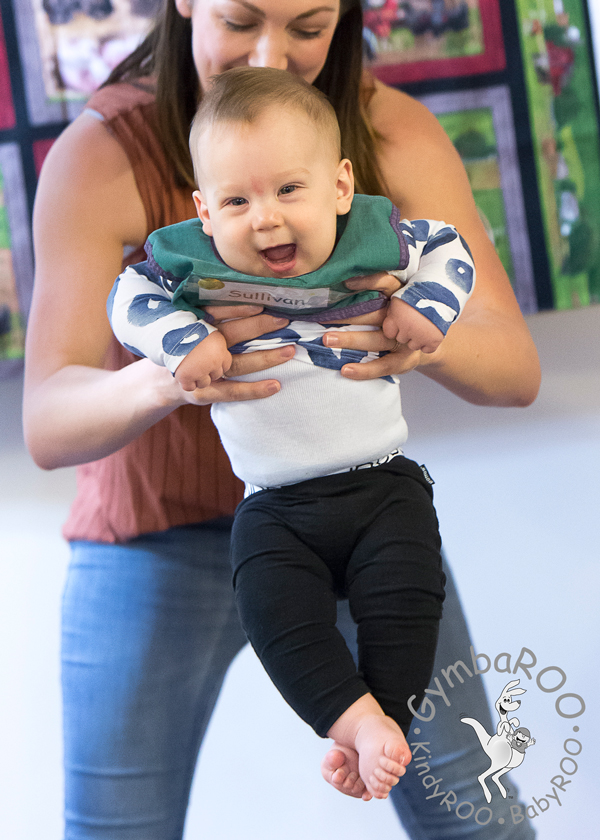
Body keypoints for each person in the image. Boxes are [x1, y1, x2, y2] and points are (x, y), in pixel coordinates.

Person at [23, 0, 540, 837]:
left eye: (308, 27)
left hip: (364, 513)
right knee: (116, 827)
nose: (273, 52)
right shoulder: (103, 154)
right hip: (159, 538)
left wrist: (418, 338)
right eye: (241, 19)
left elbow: (514, 371)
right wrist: (170, 379)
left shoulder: (389, 132)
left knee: (474, 812)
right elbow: (47, 425)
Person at [108, 66, 476, 799]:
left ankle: (385, 720)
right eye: (237, 200)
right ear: (204, 213)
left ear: (340, 187)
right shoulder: (192, 263)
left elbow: (448, 245)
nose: (265, 218)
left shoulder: (371, 237)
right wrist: (181, 342)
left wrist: (427, 310)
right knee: (278, 617)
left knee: (407, 599)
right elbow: (126, 294)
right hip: (276, 510)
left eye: (287, 190)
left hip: (381, 486)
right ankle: (350, 720)